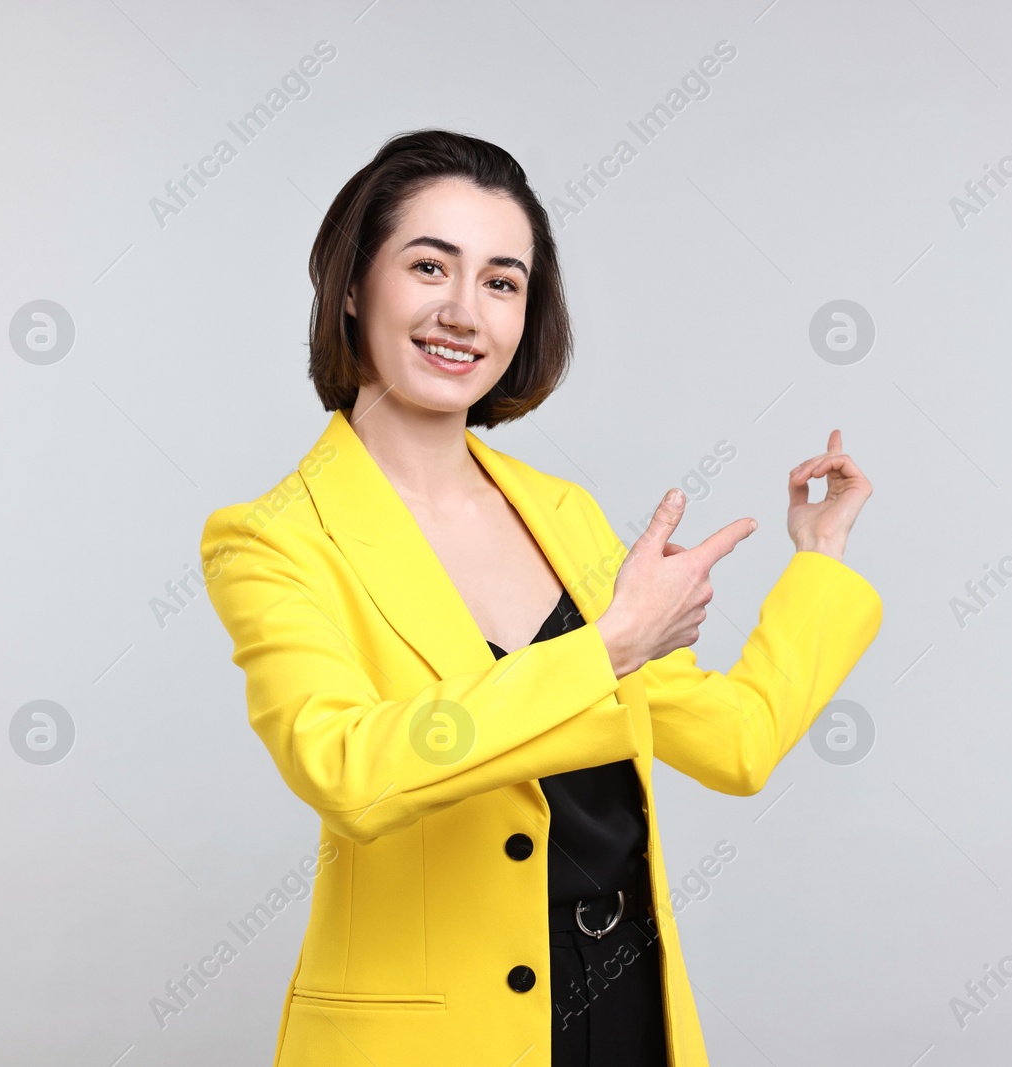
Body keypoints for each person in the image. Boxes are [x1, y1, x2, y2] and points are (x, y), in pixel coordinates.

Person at [199, 128, 883, 1067]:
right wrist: (606, 646)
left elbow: (734, 741)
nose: (463, 312)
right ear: (354, 284)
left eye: (501, 281)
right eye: (430, 265)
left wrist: (820, 559)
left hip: (625, 1005)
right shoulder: (274, 535)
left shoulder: (562, 515)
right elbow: (347, 769)